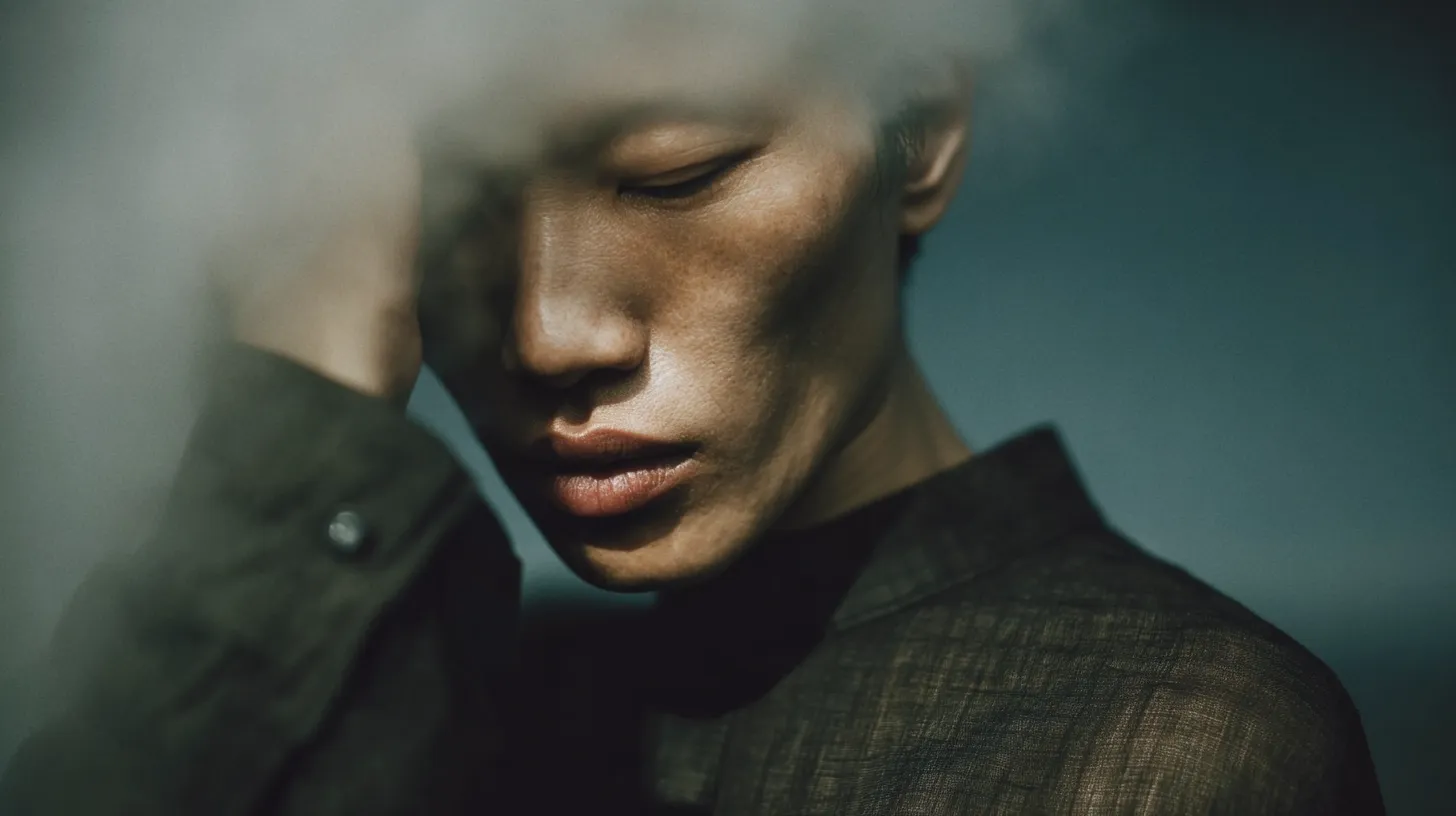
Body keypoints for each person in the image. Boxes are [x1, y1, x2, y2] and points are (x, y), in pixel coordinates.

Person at [0, 16, 1383, 816]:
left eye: (677, 172)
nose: (553, 333)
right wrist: (304, 388)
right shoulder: (464, 712)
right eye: (458, 206)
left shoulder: (1173, 741)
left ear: (922, 135)